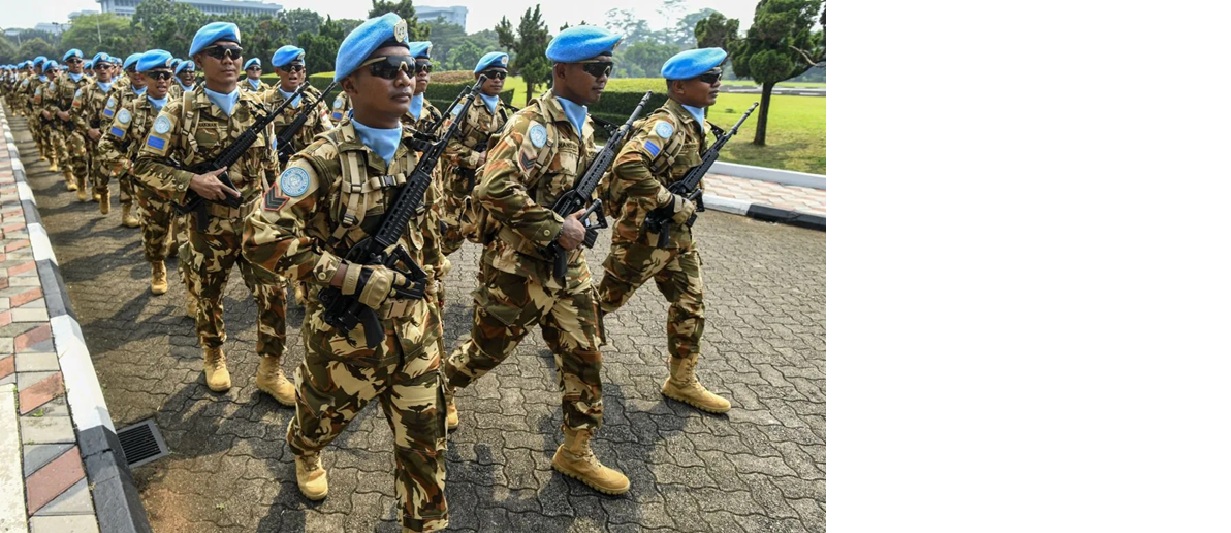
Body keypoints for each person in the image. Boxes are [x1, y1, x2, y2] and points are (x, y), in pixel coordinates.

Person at [242, 14, 449, 532]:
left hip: (416, 330)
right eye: (386, 69)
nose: (404, 78)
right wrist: (349, 277)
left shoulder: (421, 153)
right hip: (346, 334)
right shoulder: (321, 161)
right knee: (319, 420)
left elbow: (431, 237)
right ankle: (305, 449)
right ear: (350, 84)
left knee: (425, 449)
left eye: (409, 67)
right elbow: (260, 236)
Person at [442, 25, 630, 495]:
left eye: (608, 68)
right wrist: (555, 227)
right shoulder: (533, 125)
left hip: (569, 269)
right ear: (562, 71)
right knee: (486, 352)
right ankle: (440, 386)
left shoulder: (584, 122)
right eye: (595, 67)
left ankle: (575, 451)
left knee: (585, 354)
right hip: (518, 268)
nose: (604, 76)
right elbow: (493, 187)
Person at [132, 22, 295, 406]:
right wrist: (191, 181)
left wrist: (279, 218)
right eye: (218, 53)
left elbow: (273, 172)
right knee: (208, 295)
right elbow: (143, 165)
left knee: (274, 293)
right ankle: (214, 356)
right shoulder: (179, 111)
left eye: (234, 53)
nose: (228, 60)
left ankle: (271, 369)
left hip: (256, 224)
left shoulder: (260, 109)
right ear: (199, 60)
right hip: (208, 226)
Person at [596, 47, 732, 414]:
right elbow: (628, 163)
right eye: (708, 78)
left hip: (679, 237)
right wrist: (669, 200)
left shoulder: (694, 122)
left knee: (691, 304)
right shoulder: (665, 124)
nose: (716, 83)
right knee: (607, 299)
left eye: (718, 76)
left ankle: (681, 381)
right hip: (643, 235)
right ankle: (570, 338)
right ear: (679, 87)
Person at [100, 49, 188, 299]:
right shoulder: (131, 109)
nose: (161, 80)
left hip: (182, 182)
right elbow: (107, 144)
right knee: (154, 232)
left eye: (166, 75)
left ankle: (193, 291)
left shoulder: (185, 106)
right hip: (149, 186)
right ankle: (158, 268)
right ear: (144, 77)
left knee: (188, 236)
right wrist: (128, 167)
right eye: (155, 75)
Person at [438, 50, 514, 256]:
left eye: (502, 75)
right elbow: (445, 143)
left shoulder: (503, 110)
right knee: (450, 237)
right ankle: (431, 271)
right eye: (492, 74)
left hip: (487, 184)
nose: (497, 80)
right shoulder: (464, 106)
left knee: (491, 234)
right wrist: (475, 158)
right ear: (479, 77)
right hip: (459, 185)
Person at [264, 44, 333, 167]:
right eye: (287, 68)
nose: (293, 72)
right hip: (275, 168)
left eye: (297, 67)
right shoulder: (264, 101)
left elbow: (327, 134)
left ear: (303, 70)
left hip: (308, 167)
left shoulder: (314, 100)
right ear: (277, 71)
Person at [74, 52, 122, 214]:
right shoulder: (85, 91)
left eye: (106, 66)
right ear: (94, 70)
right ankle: (102, 193)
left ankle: (127, 209)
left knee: (125, 174)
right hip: (96, 138)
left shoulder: (121, 90)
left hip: (118, 138)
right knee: (98, 173)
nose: (103, 69)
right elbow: (74, 114)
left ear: (113, 68)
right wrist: (88, 129)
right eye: (99, 67)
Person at [49, 49, 92, 200]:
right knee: (77, 155)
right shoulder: (59, 82)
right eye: (71, 61)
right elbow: (48, 103)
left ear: (83, 63)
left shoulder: (90, 82)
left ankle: (96, 187)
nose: (75, 64)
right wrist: (59, 113)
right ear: (67, 63)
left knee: (92, 157)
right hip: (67, 126)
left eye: (78, 61)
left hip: (87, 125)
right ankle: (80, 184)